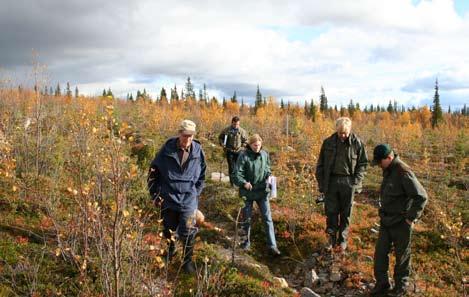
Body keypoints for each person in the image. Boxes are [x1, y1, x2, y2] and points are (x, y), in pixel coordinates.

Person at [147, 120, 206, 274]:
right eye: (185, 135)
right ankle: (169, 253)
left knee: (188, 231)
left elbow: (202, 176)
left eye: (191, 136)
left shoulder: (198, 151)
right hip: (169, 198)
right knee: (169, 229)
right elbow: (153, 172)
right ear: (179, 133)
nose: (187, 139)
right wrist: (155, 195)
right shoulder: (166, 150)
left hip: (188, 200)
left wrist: (195, 193)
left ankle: (187, 261)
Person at [370, 144, 428, 297]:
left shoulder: (404, 171)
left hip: (401, 222)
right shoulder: (388, 170)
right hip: (386, 220)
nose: (378, 166)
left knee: (402, 257)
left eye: (380, 162)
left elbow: (421, 196)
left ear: (389, 158)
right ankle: (382, 285)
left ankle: (400, 288)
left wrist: (410, 218)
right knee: (380, 254)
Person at [315, 117, 368, 251]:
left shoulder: (357, 143)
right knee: (331, 212)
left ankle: (342, 240)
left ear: (349, 130)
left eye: (345, 133)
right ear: (336, 130)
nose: (342, 136)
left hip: (348, 182)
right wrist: (321, 184)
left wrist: (355, 182)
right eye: (340, 133)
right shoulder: (327, 143)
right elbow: (320, 165)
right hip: (331, 182)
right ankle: (331, 240)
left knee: (346, 213)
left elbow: (362, 164)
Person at [232, 134, 281, 256]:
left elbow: (267, 168)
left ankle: (272, 246)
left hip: (262, 192)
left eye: (259, 145)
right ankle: (245, 243)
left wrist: (269, 176)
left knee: (267, 218)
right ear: (250, 144)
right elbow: (236, 174)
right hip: (247, 192)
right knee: (246, 219)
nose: (257, 148)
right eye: (255, 145)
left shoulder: (264, 154)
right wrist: (243, 183)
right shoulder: (243, 156)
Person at [218, 116, 248, 185]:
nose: (236, 126)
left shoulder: (242, 131)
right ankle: (232, 183)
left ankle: (238, 181)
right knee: (231, 167)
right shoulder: (226, 130)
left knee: (238, 167)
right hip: (229, 151)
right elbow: (220, 138)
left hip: (239, 151)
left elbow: (246, 141)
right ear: (232, 123)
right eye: (234, 124)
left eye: (237, 124)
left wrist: (242, 147)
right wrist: (222, 144)